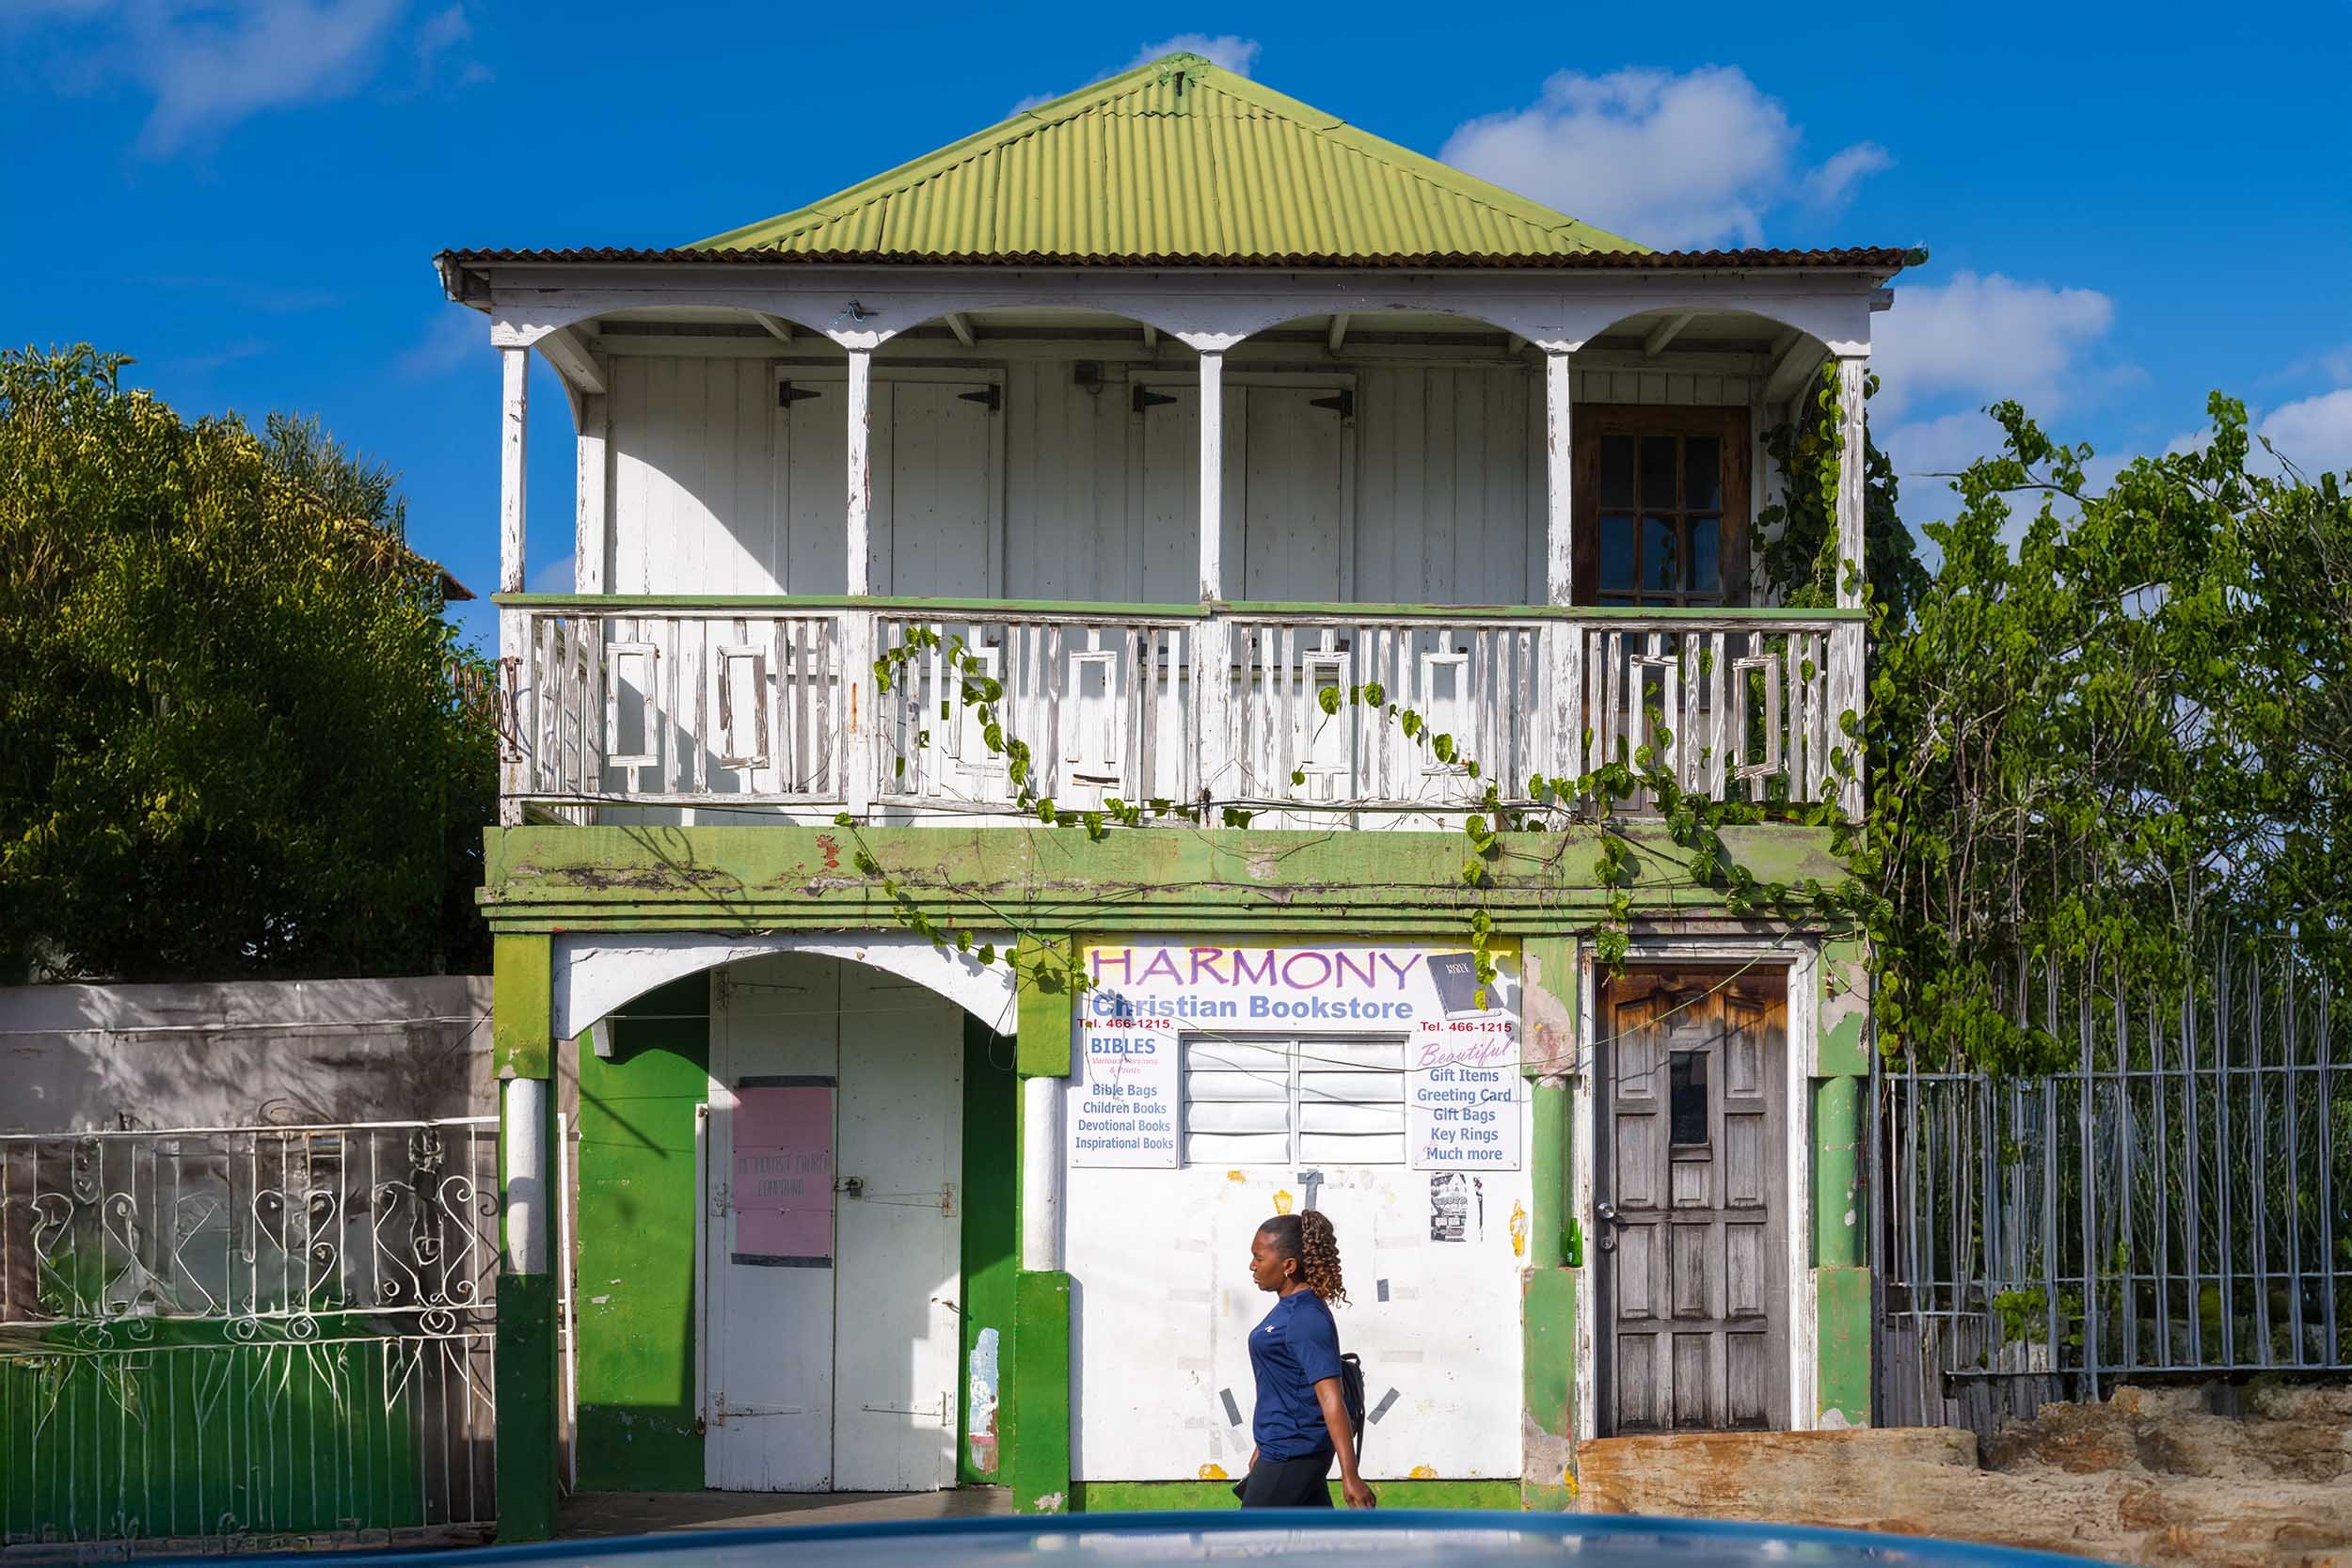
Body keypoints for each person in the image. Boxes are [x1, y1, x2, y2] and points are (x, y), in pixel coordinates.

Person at [1237, 1211, 1375, 1510]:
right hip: (1282, 1448)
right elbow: (1284, 1385)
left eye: (1259, 1258)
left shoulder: (1306, 1317)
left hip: (1293, 1453)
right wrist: (1263, 1447)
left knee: (1251, 1548)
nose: (1252, 1266)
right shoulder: (1288, 1308)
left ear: (1288, 1266)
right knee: (1314, 1548)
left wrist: (1349, 1475)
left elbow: (1330, 1398)